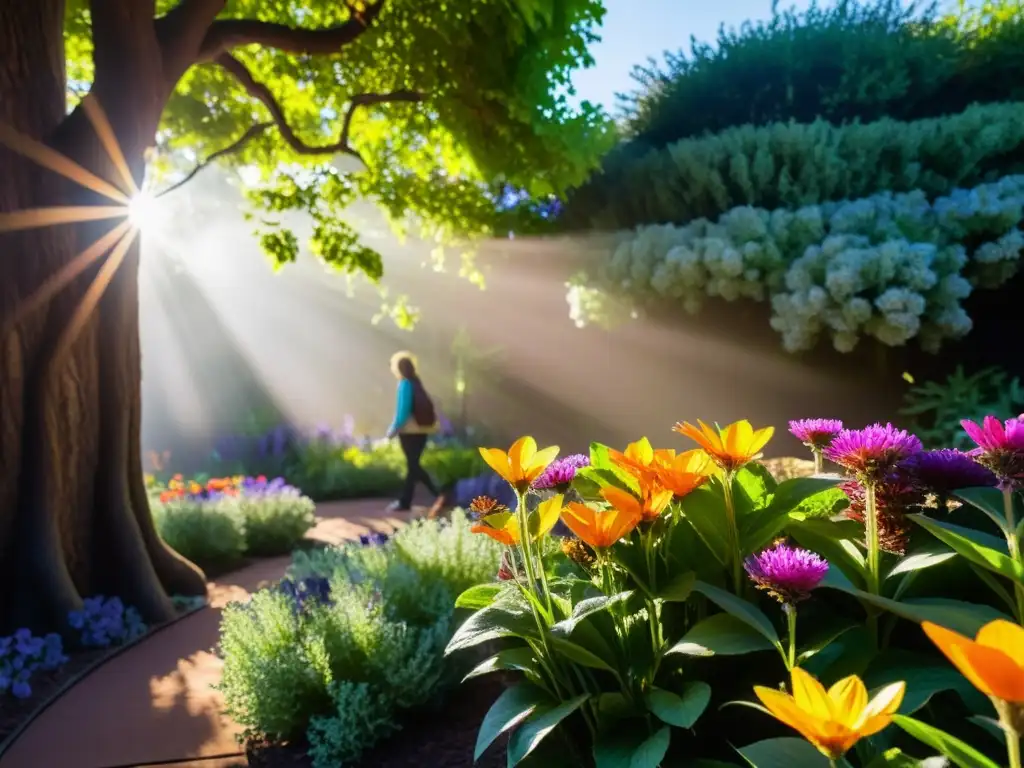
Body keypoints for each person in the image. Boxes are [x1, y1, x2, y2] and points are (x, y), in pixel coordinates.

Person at [385, 351, 440, 511]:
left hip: (409, 432)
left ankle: (437, 493)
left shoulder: (404, 384)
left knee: (413, 466)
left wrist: (393, 429)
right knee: (413, 466)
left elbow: (402, 411)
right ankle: (409, 500)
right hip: (423, 430)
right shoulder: (416, 382)